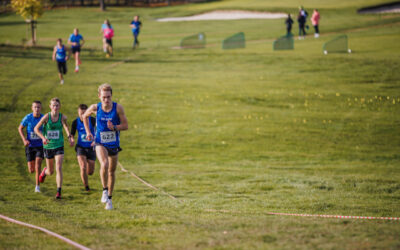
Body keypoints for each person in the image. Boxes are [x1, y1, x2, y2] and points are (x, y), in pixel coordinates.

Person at [83, 83, 128, 210]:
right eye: (104, 97)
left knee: (112, 171)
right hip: (100, 142)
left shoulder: (118, 108)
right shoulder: (95, 108)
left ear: (111, 96)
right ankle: (104, 190)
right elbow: (84, 116)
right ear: (99, 96)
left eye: (108, 97)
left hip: (113, 144)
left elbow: (125, 125)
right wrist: (88, 132)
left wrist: (114, 127)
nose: (106, 100)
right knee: (104, 164)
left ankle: (109, 198)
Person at [34, 98, 73, 199]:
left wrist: (69, 137)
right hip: (48, 146)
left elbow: (66, 126)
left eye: (57, 105)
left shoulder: (62, 117)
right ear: (50, 106)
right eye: (53, 105)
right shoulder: (47, 117)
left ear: (59, 106)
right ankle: (44, 172)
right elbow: (36, 129)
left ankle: (58, 191)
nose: (55, 107)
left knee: (58, 167)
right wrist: (43, 138)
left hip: (59, 145)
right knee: (50, 172)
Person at [18, 101, 44, 193]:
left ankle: (37, 187)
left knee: (38, 166)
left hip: (40, 146)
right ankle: (42, 173)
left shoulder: (43, 118)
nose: (37, 109)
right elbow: (20, 128)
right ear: (32, 108)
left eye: (38, 107)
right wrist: (24, 140)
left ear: (41, 108)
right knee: (31, 170)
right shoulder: (28, 117)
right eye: (35, 107)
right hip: (30, 146)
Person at [70, 104, 96, 191]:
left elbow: (99, 131)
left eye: (85, 113)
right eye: (81, 113)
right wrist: (72, 140)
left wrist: (95, 140)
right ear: (78, 112)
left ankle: (86, 175)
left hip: (91, 147)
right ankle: (86, 186)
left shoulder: (92, 120)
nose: (83, 115)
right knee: (83, 167)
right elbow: (72, 134)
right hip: (80, 147)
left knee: (90, 172)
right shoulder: (75, 122)